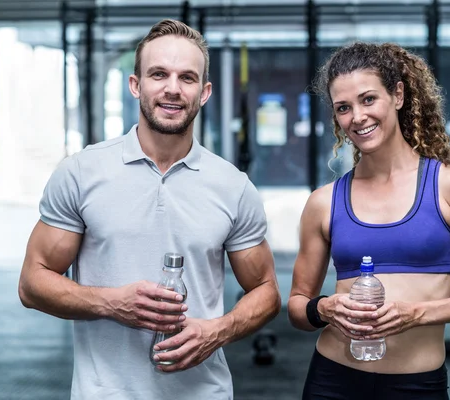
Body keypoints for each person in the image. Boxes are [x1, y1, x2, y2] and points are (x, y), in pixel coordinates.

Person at [18, 19, 281, 400]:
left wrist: (218, 331)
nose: (172, 89)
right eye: (159, 74)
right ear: (135, 84)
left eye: (187, 78)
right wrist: (111, 303)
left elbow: (267, 290)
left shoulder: (233, 186)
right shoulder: (81, 172)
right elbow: (32, 282)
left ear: (204, 92)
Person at [288, 41, 450, 400]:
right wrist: (324, 307)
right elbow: (298, 305)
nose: (357, 117)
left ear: (397, 95)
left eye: (368, 99)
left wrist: (418, 313)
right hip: (333, 381)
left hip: (417, 386)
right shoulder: (323, 202)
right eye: (343, 108)